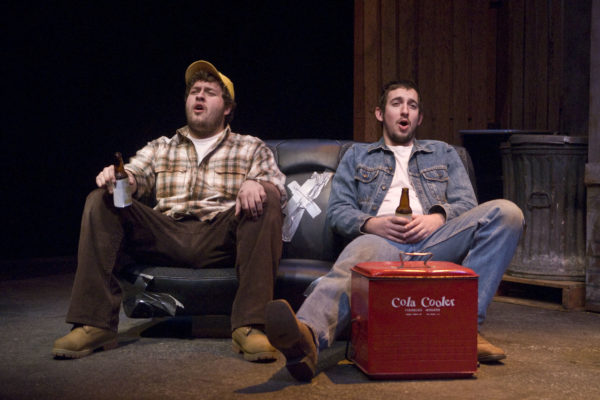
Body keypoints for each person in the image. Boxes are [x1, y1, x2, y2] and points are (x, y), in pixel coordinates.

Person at [265, 80, 525, 381]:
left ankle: (465, 330)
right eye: (396, 103)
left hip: (437, 241)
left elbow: (467, 203)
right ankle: (306, 339)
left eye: (412, 106)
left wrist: (437, 217)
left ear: (419, 117)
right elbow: (338, 212)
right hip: (381, 243)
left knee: (508, 213)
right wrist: (372, 223)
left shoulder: (443, 153)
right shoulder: (357, 155)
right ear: (380, 113)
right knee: (360, 252)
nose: (405, 111)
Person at [52, 60, 286, 363]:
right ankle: (94, 324)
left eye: (209, 92)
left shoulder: (250, 146)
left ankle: (250, 325)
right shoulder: (161, 147)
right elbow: (135, 174)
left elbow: (275, 183)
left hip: (221, 234)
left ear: (228, 107)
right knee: (102, 200)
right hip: (166, 233)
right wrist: (121, 179)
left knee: (266, 196)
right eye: (194, 91)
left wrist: (257, 184)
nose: (199, 96)